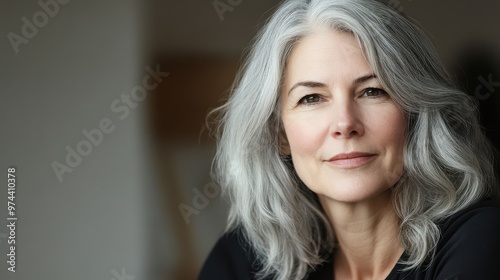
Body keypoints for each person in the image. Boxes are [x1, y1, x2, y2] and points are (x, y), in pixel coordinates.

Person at [199, 0, 500, 279]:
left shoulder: (480, 240)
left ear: (414, 114)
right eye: (312, 98)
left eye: (372, 91)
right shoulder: (242, 261)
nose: (345, 123)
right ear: (279, 134)